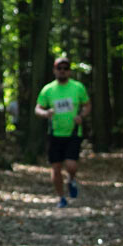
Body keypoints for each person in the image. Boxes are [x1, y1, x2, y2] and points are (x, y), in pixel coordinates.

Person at [34, 57, 91, 208]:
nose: (62, 71)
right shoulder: (48, 89)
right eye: (59, 68)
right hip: (54, 134)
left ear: (69, 71)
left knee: (71, 165)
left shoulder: (78, 87)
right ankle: (61, 198)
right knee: (56, 168)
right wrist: (46, 113)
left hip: (73, 133)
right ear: (54, 70)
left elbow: (87, 105)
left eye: (65, 68)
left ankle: (71, 179)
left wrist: (81, 116)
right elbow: (37, 108)